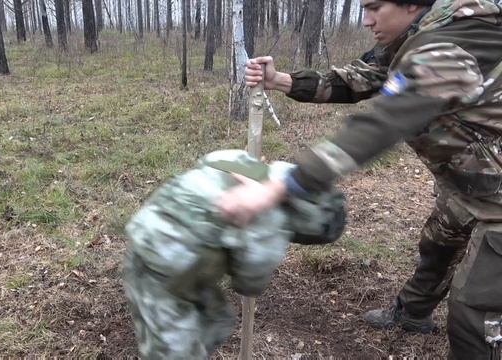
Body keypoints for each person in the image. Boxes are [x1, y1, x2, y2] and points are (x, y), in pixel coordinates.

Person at [217, 0, 502, 358]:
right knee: (438, 246)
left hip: (498, 199)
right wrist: (282, 81)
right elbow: (360, 78)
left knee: (475, 309)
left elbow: (385, 121)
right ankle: (412, 314)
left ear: (411, 4)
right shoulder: (412, 37)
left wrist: (286, 184)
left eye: (375, 7)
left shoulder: (457, 42)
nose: (366, 20)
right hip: (471, 182)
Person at [123, 149, 346, 359]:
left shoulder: (242, 162)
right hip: (165, 270)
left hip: (149, 228)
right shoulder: (270, 219)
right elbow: (249, 283)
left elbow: (207, 161)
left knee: (216, 319)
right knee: (174, 347)